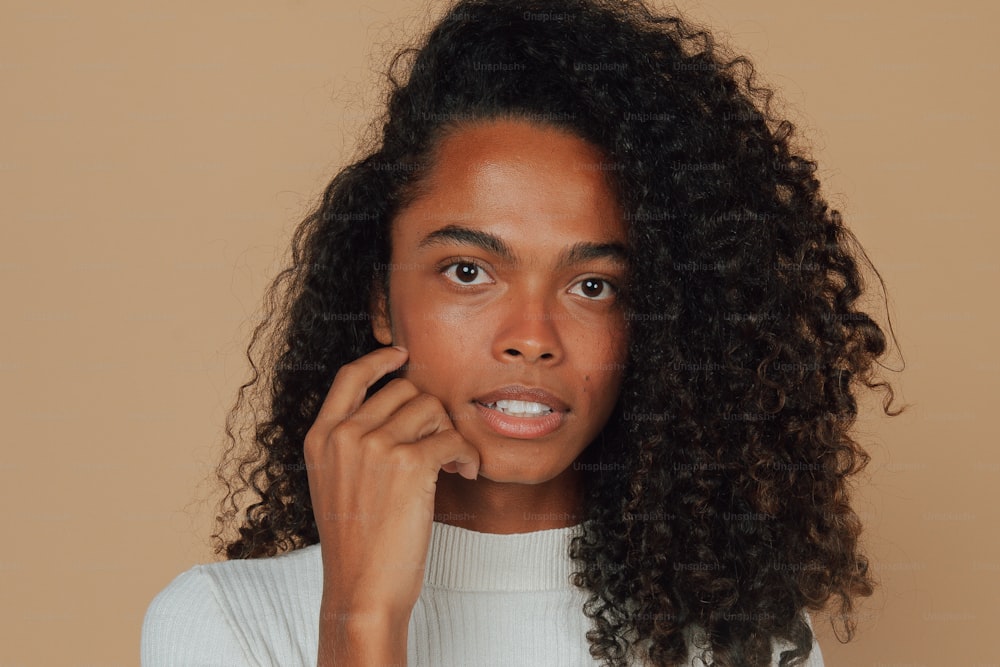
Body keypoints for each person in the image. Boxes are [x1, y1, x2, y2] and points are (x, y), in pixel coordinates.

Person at [141, 0, 903, 665]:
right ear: (381, 298)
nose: (531, 337)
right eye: (469, 271)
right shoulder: (225, 622)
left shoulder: (742, 640)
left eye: (592, 285)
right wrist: (359, 618)